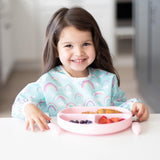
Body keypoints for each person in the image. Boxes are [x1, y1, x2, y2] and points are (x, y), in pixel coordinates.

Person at [11, 7, 149, 131]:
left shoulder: (107, 80)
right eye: (68, 46)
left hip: (99, 141)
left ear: (96, 45)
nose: (78, 52)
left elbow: (118, 108)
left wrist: (134, 106)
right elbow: (20, 103)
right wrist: (28, 108)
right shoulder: (47, 81)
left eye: (86, 44)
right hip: (62, 142)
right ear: (56, 50)